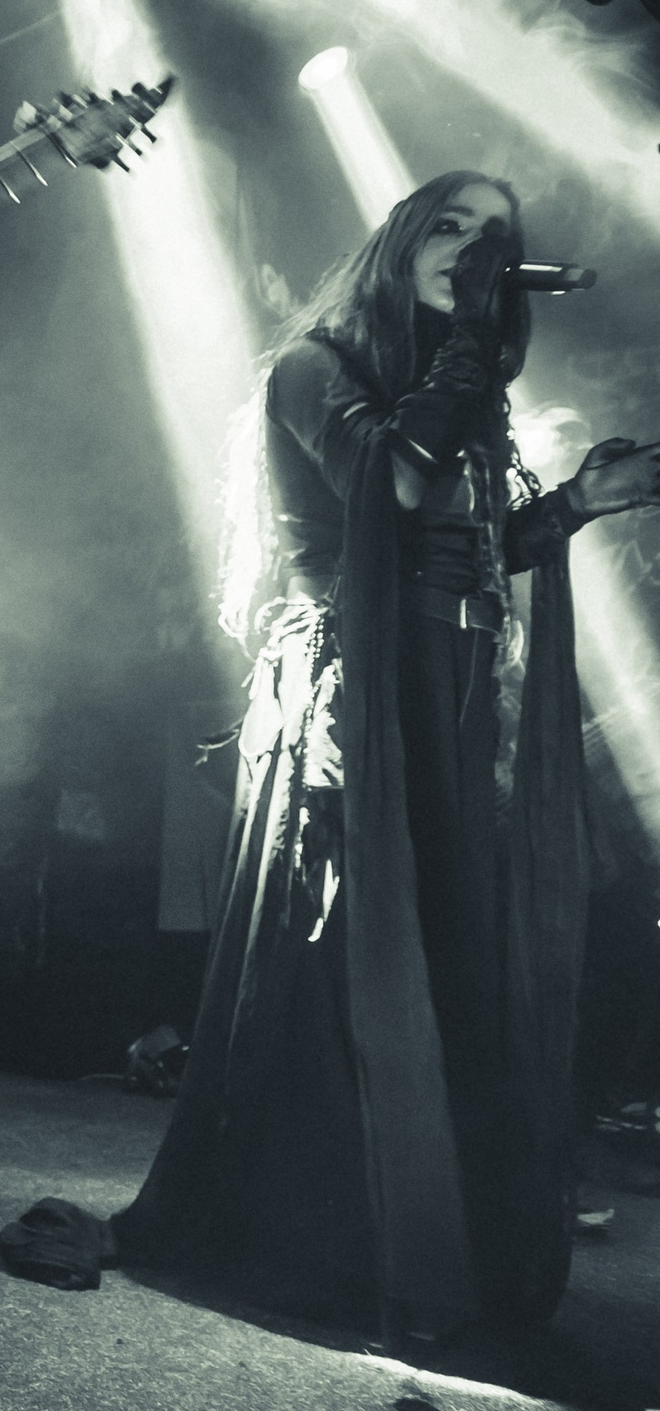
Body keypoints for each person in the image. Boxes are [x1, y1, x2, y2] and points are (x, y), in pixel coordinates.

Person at [96, 172, 660, 1347]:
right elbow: (387, 489)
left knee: (442, 949)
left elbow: (466, 544)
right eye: (450, 227)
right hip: (353, 689)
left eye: (496, 237)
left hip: (446, 694)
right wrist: (468, 350)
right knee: (355, 951)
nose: (475, 249)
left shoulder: (454, 394)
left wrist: (573, 505)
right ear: (398, 245)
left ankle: (420, 1235)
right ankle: (321, 1239)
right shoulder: (318, 369)